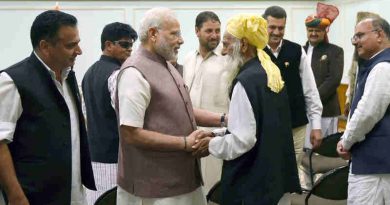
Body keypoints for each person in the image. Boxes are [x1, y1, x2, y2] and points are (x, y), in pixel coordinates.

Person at [115, 7, 221, 205]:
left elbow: (183, 110)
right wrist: (184, 143)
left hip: (182, 181)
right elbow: (130, 133)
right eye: (174, 34)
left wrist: (223, 119)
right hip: (154, 189)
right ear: (153, 34)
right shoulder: (134, 72)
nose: (181, 40)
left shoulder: (166, 65)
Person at [194, 13, 301, 205]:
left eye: (226, 44)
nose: (224, 51)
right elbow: (257, 124)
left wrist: (209, 145)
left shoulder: (246, 82)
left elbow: (243, 140)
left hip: (254, 183)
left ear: (243, 45)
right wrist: (217, 135)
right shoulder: (269, 72)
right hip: (274, 178)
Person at [0, 10, 95, 205]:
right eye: (71, 45)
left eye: (77, 42)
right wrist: (15, 196)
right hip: (34, 196)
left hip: (72, 194)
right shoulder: (12, 81)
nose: (79, 51)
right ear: (45, 46)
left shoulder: (69, 77)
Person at [262, 6, 323, 185]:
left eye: (281, 28)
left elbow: (310, 90)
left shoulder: (296, 50)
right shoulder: (255, 51)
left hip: (295, 124)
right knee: (269, 170)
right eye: (271, 27)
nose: (276, 32)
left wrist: (317, 125)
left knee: (291, 172)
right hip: (266, 125)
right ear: (263, 26)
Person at [82, 22, 137, 205]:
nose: (130, 49)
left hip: (93, 160)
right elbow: (129, 120)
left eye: (131, 45)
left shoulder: (88, 73)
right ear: (108, 45)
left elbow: (86, 115)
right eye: (124, 44)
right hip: (115, 160)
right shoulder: (117, 75)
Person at [337, 17, 390, 205]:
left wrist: (346, 141)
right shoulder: (377, 64)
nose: (355, 41)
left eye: (360, 35)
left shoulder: (383, 67)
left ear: (379, 35)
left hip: (374, 164)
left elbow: (368, 113)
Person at [183, 10, 233, 192]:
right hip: (192, 136)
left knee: (216, 188)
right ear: (197, 31)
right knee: (194, 188)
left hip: (217, 136)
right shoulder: (189, 59)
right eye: (209, 31)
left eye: (218, 31)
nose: (215, 36)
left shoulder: (229, 60)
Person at [303, 2, 344, 140]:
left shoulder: (335, 51)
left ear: (324, 31)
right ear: (307, 31)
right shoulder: (299, 51)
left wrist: (312, 101)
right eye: (310, 30)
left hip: (326, 109)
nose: (313, 33)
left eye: (318, 30)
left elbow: (333, 80)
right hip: (303, 110)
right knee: (305, 149)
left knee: (324, 149)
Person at [344, 11, 380, 117]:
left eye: (362, 35)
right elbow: (353, 77)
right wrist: (348, 100)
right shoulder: (359, 52)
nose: (357, 40)